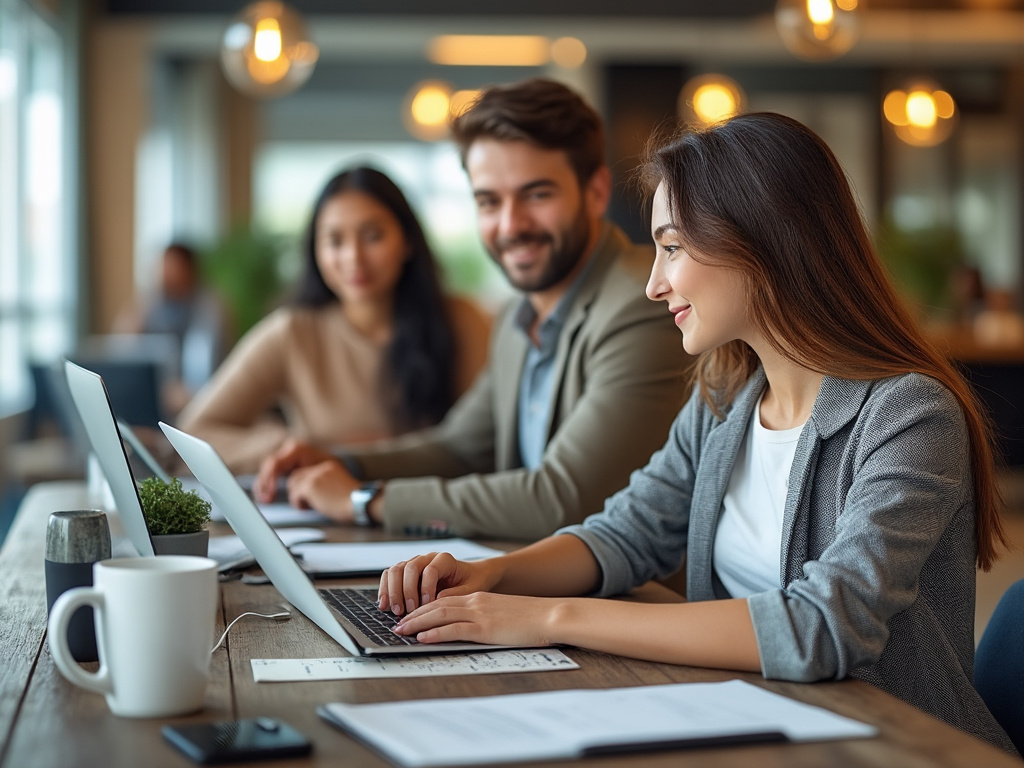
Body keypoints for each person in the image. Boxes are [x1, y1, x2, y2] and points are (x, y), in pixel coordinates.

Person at [377, 113, 1016, 753]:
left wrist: (546, 617)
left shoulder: (908, 413)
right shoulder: (726, 396)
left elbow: (822, 627)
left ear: (762, 239)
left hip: (895, 748)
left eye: (673, 247)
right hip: (749, 726)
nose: (654, 283)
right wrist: (491, 575)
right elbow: (627, 533)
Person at [254, 78, 691, 539]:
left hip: (627, 603)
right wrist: (340, 462)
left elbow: (564, 499)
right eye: (489, 201)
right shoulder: (517, 318)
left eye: (537, 194)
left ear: (597, 192)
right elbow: (460, 448)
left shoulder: (642, 303)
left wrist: (365, 500)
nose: (510, 225)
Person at [177, 166, 491, 474]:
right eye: (335, 241)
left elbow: (487, 443)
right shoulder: (294, 332)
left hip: (433, 514)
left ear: (407, 240)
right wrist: (294, 447)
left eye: (373, 236)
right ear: (316, 250)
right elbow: (192, 434)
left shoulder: (462, 320)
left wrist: (353, 453)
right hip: (327, 519)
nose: (353, 257)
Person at [114, 242, 231, 411]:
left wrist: (187, 390)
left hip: (202, 395)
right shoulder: (154, 303)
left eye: (172, 268)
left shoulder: (210, 307)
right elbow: (122, 346)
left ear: (190, 271)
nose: (165, 275)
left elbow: (208, 361)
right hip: (161, 395)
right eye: (162, 268)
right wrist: (141, 305)